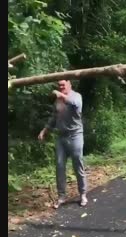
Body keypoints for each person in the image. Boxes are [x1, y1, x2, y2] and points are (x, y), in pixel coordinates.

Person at [38, 80, 88, 208]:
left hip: (75, 135)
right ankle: (61, 197)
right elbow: (54, 118)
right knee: (60, 166)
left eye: (63, 85)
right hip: (61, 137)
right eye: (59, 86)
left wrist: (62, 96)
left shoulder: (76, 96)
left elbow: (76, 105)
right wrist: (44, 131)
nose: (61, 87)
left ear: (69, 85)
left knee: (78, 163)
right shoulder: (58, 101)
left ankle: (83, 194)